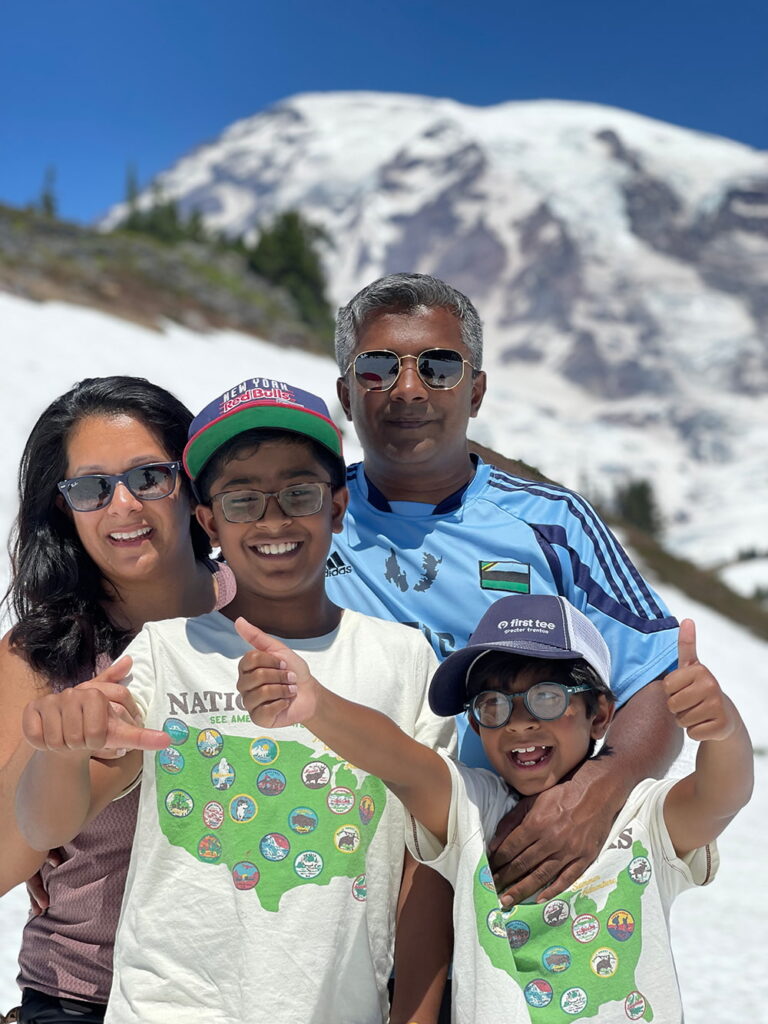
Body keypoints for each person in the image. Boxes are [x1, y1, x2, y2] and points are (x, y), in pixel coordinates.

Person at [15, 377, 454, 1024]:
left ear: (337, 507)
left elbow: (433, 849)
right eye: (244, 499)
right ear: (210, 518)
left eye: (298, 493)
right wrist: (58, 752)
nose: (273, 518)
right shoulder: (160, 654)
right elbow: (50, 821)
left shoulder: (401, 657)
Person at [326, 272, 683, 909]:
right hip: (337, 874)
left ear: (477, 390)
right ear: (347, 395)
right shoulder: (303, 522)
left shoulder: (555, 524)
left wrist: (600, 789)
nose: (408, 389)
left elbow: (653, 683)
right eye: (377, 367)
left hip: (512, 875)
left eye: (439, 366)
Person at [235, 592, 753, 1023]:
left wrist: (724, 728)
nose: (519, 723)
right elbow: (401, 761)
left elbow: (721, 795)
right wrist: (318, 705)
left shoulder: (642, 814)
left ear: (600, 715)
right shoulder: (473, 810)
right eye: (492, 705)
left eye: (547, 697)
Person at [0, 376, 235, 1024]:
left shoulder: (269, 615)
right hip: (87, 997)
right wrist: (56, 749)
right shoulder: (38, 653)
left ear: (191, 485)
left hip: (266, 993)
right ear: (63, 510)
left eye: (148, 477)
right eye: (91, 488)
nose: (123, 505)